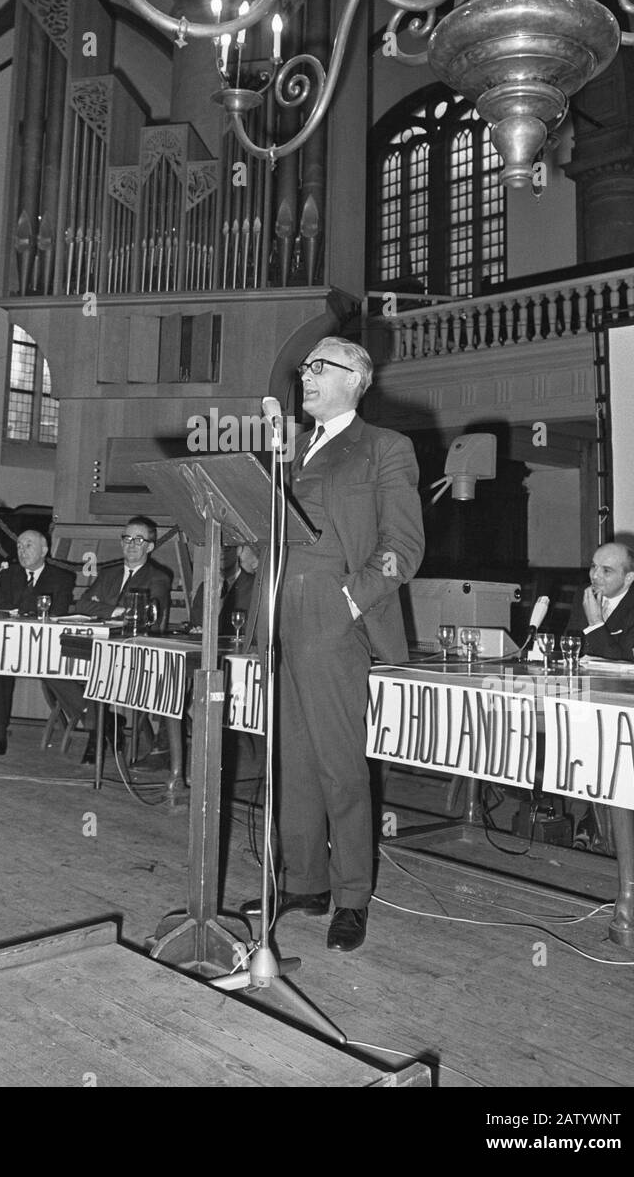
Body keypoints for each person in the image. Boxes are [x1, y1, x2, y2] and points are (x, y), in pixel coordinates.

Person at [241, 337, 424, 952]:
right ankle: (305, 882)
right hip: (279, 616)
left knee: (339, 765)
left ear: (357, 380)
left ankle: (350, 896)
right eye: (305, 367)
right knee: (290, 758)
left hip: (334, 615)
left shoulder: (384, 448)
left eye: (321, 367)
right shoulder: (287, 448)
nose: (307, 376)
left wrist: (350, 600)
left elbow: (404, 549)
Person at [44, 516, 172, 764]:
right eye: (127, 538)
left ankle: (96, 733)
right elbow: (82, 604)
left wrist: (102, 607)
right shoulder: (109, 574)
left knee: (97, 671)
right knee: (51, 668)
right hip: (95, 645)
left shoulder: (158, 577)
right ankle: (106, 723)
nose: (131, 544)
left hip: (130, 652)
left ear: (150, 546)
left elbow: (146, 616)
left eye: (139, 539)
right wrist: (116, 611)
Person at [0, 529, 75, 759]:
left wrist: (21, 610)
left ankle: (94, 728)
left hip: (44, 649)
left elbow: (55, 613)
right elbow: (2, 609)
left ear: (45, 550)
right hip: (12, 645)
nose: (22, 550)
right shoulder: (7, 575)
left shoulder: (62, 578)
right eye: (19, 546)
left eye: (28, 545)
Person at [565, 542, 634, 662]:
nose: (594, 576)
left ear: (628, 578)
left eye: (606, 571)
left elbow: (627, 662)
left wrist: (595, 623)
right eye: (593, 566)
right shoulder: (584, 593)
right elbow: (569, 643)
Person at [188, 543, 259, 637]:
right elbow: (195, 623)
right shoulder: (205, 587)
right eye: (217, 548)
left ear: (239, 550)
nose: (221, 553)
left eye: (226, 548)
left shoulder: (255, 586)